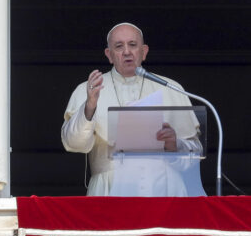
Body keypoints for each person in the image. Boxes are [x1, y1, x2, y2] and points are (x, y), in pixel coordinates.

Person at [61, 22, 203, 196]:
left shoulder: (171, 88)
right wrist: (90, 106)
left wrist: (175, 145)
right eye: (119, 46)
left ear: (144, 52)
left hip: (165, 189)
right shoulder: (89, 89)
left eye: (133, 45)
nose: (127, 51)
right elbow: (74, 145)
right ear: (109, 55)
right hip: (110, 190)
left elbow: (196, 152)